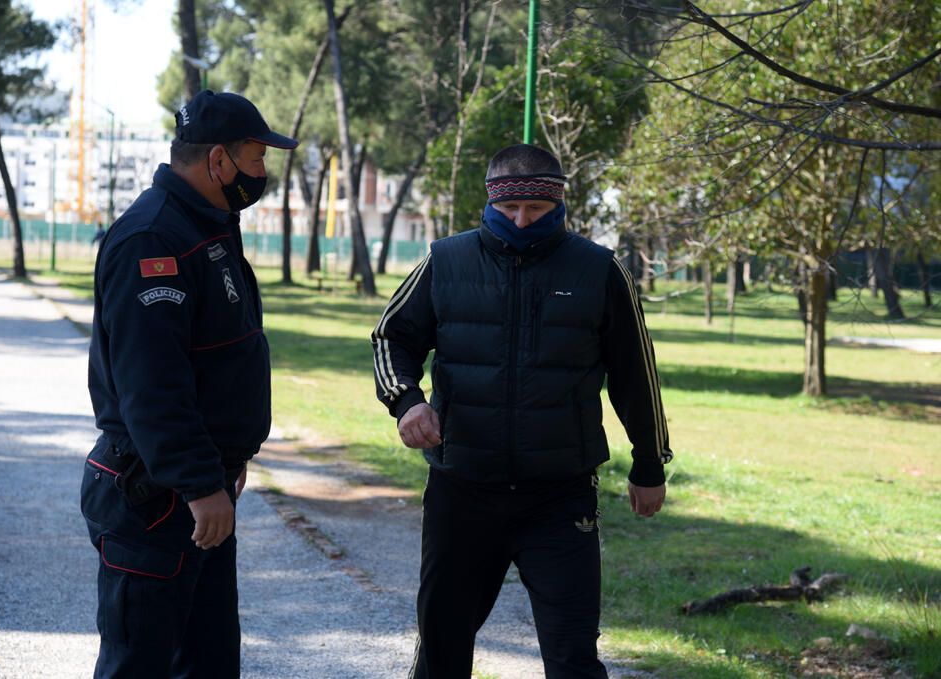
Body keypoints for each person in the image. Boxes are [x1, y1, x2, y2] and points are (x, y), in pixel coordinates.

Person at [371, 143, 673, 679]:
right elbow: (390, 337)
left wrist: (650, 462)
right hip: (461, 492)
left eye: (535, 209)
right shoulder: (445, 260)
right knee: (441, 651)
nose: (520, 220)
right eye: (510, 208)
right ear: (490, 200)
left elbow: (636, 374)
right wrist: (406, 401)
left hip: (560, 498)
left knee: (573, 658)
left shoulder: (599, 270)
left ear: (557, 202)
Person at [81, 89, 297, 678]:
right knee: (140, 665)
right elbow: (152, 385)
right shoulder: (155, 239)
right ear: (218, 162)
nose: (263, 173)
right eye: (256, 159)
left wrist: (232, 457)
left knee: (207, 663)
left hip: (202, 483)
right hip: (157, 494)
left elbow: (220, 358)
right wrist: (203, 482)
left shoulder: (208, 225)